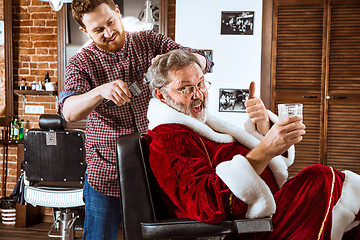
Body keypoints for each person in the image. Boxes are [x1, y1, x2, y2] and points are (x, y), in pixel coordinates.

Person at [145, 49, 360, 240]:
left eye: (201, 83)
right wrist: (266, 149)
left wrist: (264, 127)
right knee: (320, 179)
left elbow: (242, 158)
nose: (199, 94)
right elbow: (205, 203)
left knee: (325, 183)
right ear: (161, 96)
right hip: (244, 227)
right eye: (186, 88)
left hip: (264, 214)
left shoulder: (202, 123)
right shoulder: (168, 138)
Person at [58, 1, 213, 239]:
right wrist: (100, 91)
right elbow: (69, 112)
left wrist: (174, 60)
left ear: (118, 13)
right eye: (98, 30)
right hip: (106, 173)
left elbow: (203, 60)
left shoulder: (150, 42)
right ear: (85, 31)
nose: (109, 33)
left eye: (110, 22)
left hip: (156, 168)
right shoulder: (81, 63)